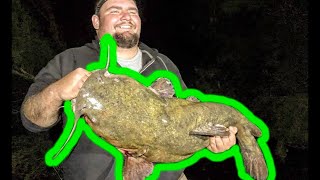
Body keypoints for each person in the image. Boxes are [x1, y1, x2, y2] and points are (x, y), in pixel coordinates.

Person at [20, 0, 238, 179]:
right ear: (96, 21)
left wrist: (213, 140)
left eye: (132, 11)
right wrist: (56, 91)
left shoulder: (164, 65)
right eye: (115, 10)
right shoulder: (70, 60)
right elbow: (31, 120)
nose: (126, 16)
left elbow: (190, 119)